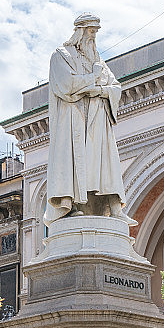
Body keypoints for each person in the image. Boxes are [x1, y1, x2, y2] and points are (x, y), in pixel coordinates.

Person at [44, 13, 136, 226]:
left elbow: (115, 87)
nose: (93, 37)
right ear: (80, 32)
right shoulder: (61, 56)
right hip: (74, 121)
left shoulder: (99, 61)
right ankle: (72, 206)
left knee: (106, 166)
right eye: (91, 32)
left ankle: (115, 209)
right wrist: (93, 79)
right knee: (75, 163)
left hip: (98, 122)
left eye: (95, 33)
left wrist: (99, 90)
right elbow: (66, 86)